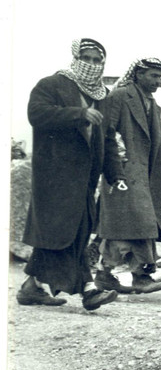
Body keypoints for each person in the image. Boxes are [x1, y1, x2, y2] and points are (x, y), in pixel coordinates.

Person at [18, 38, 123, 310]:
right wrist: (79, 114)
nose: (90, 64)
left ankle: (32, 286)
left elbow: (108, 138)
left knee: (72, 230)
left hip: (86, 179)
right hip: (55, 174)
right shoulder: (51, 85)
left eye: (96, 60)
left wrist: (116, 175)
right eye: (85, 58)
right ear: (75, 57)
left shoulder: (104, 96)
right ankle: (88, 289)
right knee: (65, 230)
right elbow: (37, 114)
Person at [95, 57, 161, 294]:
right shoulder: (119, 96)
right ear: (138, 75)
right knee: (126, 225)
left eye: (159, 76)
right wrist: (117, 167)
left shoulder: (152, 103)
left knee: (140, 224)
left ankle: (132, 275)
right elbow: (107, 133)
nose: (157, 81)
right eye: (153, 76)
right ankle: (126, 274)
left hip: (148, 174)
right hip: (123, 172)